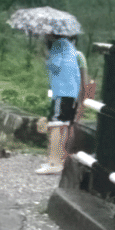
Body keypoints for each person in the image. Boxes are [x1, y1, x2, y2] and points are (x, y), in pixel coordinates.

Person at [36, 33, 81, 174]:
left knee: (55, 125)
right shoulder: (70, 46)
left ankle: (53, 163)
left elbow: (54, 67)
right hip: (71, 92)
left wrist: (44, 56)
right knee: (64, 125)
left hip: (61, 91)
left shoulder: (58, 45)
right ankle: (59, 162)